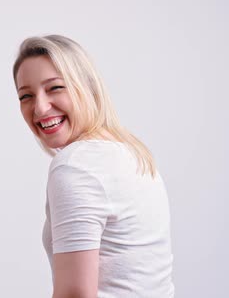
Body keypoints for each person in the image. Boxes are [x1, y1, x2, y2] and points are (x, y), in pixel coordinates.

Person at [12, 35, 174, 297]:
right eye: (26, 95)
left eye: (55, 88)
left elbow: (75, 294)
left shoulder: (76, 166)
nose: (40, 107)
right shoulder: (131, 152)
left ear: (87, 87)